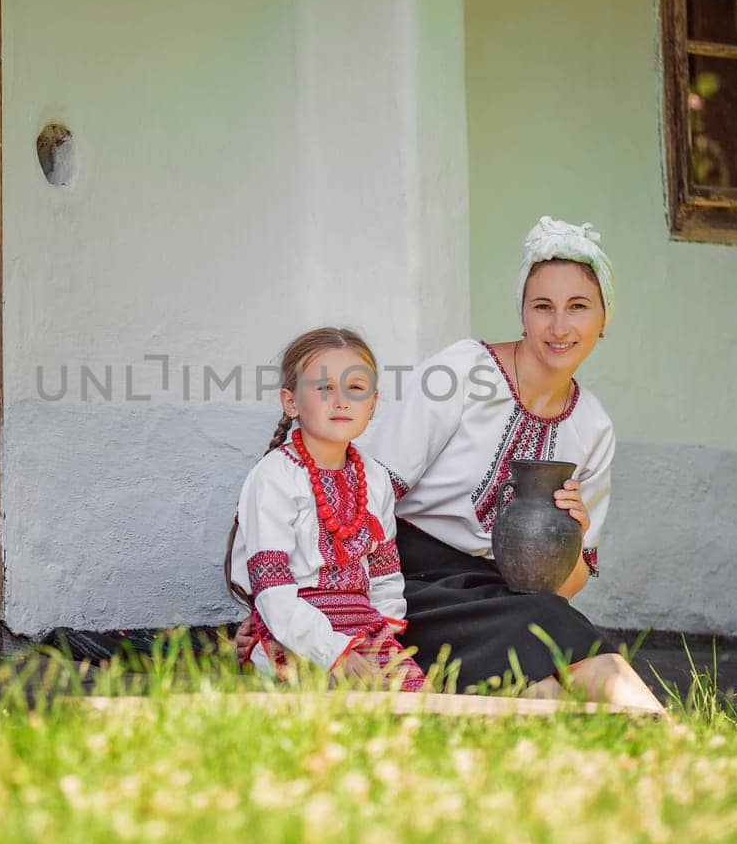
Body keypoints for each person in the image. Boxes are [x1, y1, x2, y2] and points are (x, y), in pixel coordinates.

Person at [237, 218, 664, 713]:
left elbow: (565, 586)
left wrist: (572, 534)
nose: (559, 327)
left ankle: (653, 741)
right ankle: (665, 736)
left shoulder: (593, 427)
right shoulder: (462, 372)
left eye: (578, 308)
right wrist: (286, 607)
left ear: (604, 319)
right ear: (522, 313)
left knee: (545, 679)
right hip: (406, 588)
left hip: (506, 598)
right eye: (542, 306)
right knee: (550, 649)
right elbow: (359, 499)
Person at [225, 327, 426, 691]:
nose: (341, 401)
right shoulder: (274, 477)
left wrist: (384, 639)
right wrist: (334, 651)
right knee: (334, 702)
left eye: (356, 388)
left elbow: (384, 575)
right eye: (324, 388)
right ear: (291, 402)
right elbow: (273, 591)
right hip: (293, 628)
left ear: (374, 402)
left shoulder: (375, 478)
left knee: (418, 700)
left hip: (364, 627)